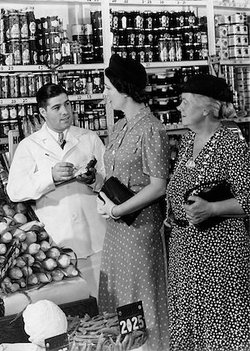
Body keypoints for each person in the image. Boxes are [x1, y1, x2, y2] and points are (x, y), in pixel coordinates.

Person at [166, 74, 250, 351]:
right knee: (190, 324)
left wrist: (212, 208)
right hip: (185, 253)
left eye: (184, 102)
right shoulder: (189, 140)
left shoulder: (230, 141)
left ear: (205, 107)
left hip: (218, 256)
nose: (179, 107)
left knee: (220, 326)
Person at [96, 54, 170, 351]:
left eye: (108, 88)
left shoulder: (151, 128)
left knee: (140, 296)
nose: (105, 93)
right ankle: (126, 347)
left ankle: (148, 347)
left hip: (140, 231)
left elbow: (158, 186)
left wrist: (116, 209)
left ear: (123, 89)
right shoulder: (118, 127)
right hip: (116, 231)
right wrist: (95, 183)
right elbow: (116, 178)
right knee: (120, 296)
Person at [7, 83, 107, 296]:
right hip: (58, 243)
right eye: (57, 107)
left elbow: (109, 180)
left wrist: (93, 179)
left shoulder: (89, 139)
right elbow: (15, 190)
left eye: (68, 104)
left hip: (96, 235)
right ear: (43, 112)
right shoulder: (29, 146)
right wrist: (49, 177)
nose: (65, 112)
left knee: (105, 299)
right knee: (74, 305)